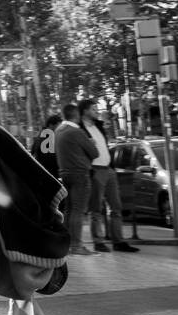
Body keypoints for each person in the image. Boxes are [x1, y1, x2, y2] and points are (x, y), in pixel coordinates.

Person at [80, 98, 138, 252]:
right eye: (93, 109)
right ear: (85, 111)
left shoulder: (98, 126)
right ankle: (98, 241)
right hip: (95, 170)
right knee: (96, 208)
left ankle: (118, 241)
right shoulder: (79, 129)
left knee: (116, 206)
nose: (96, 111)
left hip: (109, 170)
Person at [54, 103, 97, 255]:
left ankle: (66, 244)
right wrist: (91, 143)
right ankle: (77, 245)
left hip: (65, 174)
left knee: (69, 209)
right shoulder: (77, 132)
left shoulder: (58, 131)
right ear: (76, 115)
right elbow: (94, 153)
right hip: (80, 174)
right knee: (78, 210)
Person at [30, 113, 62, 179]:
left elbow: (32, 151)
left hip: (41, 172)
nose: (60, 128)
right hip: (48, 174)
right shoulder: (48, 137)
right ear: (51, 125)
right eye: (59, 126)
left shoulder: (41, 134)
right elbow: (50, 159)